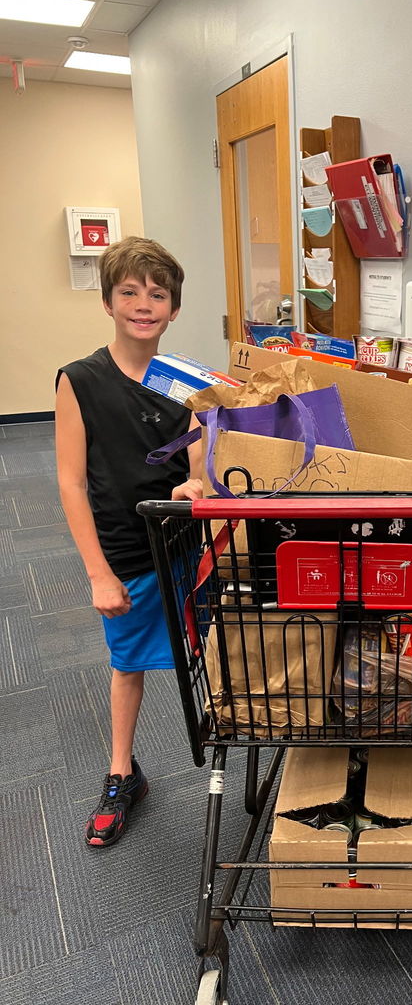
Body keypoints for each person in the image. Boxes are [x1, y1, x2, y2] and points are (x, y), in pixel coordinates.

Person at [56, 236, 201, 847]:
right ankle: (122, 772)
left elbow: (200, 454)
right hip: (124, 549)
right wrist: (98, 573)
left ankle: (226, 750)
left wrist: (196, 481)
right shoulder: (81, 380)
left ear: (174, 308)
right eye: (130, 292)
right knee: (128, 664)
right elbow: (70, 481)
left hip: (185, 546)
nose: (144, 304)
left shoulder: (184, 380)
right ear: (108, 302)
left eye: (158, 294)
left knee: (211, 655)